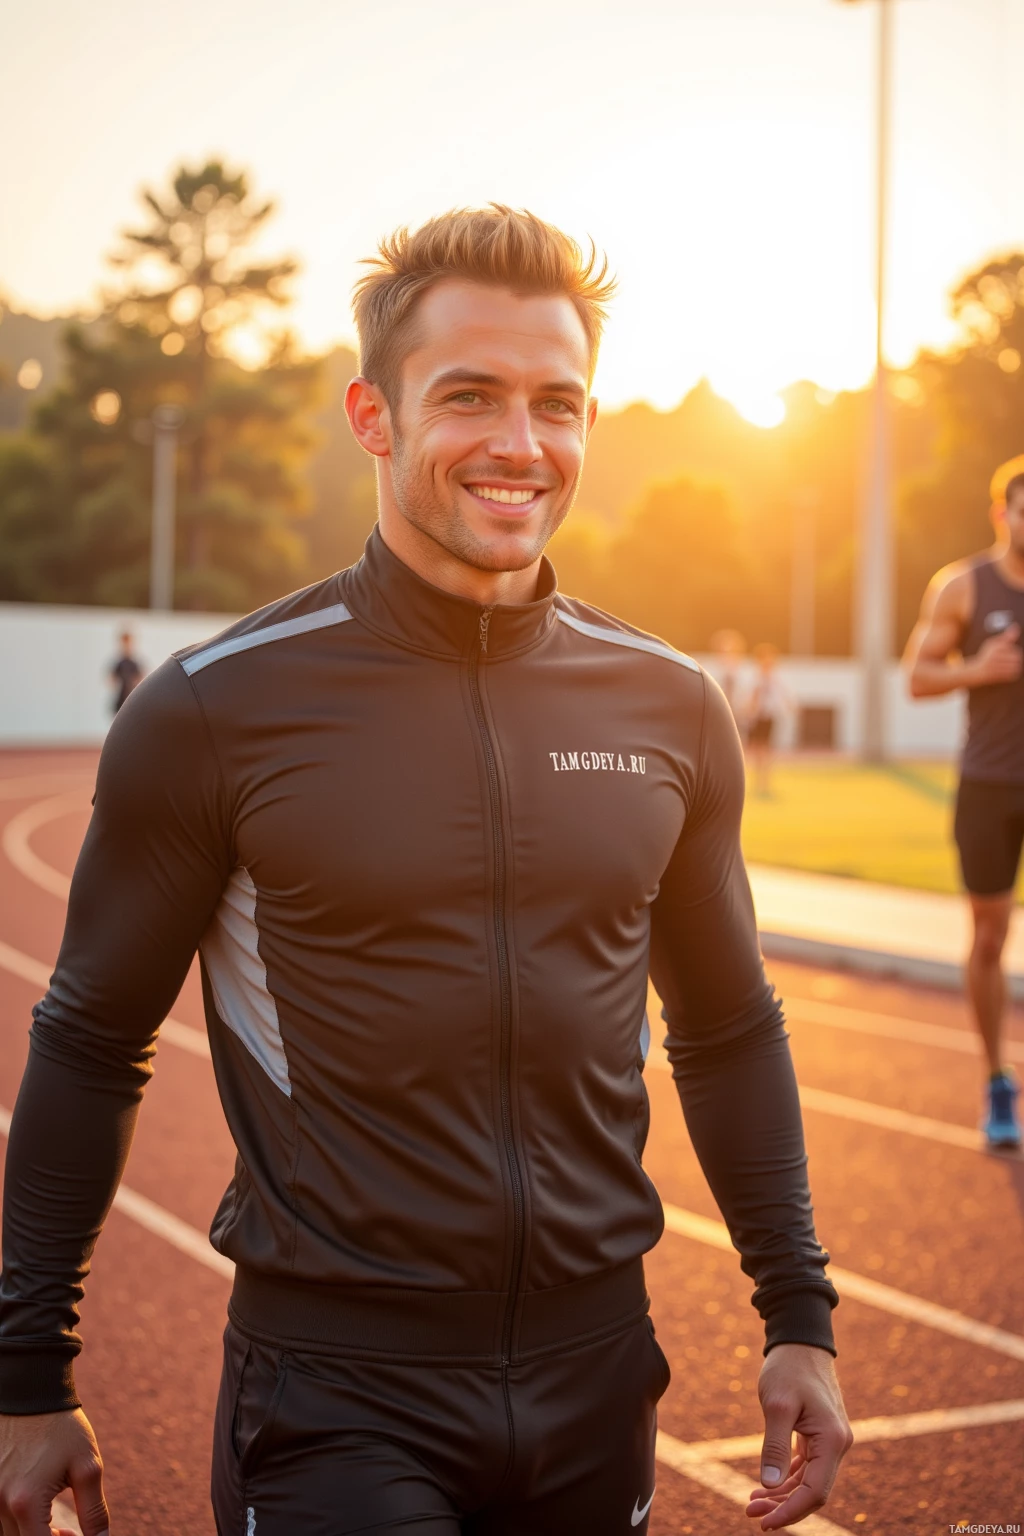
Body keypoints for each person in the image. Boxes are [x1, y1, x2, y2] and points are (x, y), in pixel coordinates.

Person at [0, 207, 851, 1536]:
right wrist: (25, 1374)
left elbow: (730, 1028)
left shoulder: (671, 707)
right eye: (471, 396)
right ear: (373, 415)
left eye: (557, 403)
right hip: (339, 1395)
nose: (523, 444)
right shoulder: (214, 711)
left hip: (596, 1375)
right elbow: (93, 1040)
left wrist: (798, 1314)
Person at [904, 457, 1024, 1151]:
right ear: (999, 513)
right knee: (988, 937)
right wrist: (980, 669)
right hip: (990, 787)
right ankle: (997, 1079)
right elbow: (916, 676)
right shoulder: (963, 586)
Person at [743, 642, 791, 797]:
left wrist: (789, 707)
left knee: (766, 751)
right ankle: (757, 783)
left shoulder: (775, 679)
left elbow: (783, 696)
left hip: (769, 717)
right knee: (757, 751)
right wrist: (749, 713)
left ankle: (765, 784)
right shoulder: (756, 678)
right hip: (757, 718)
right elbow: (752, 698)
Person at [108, 631, 143, 714]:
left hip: (131, 698)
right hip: (121, 699)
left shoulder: (134, 663)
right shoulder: (119, 663)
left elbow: (141, 678)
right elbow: (111, 680)